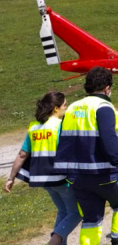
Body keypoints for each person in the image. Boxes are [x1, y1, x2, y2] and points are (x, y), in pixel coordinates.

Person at [53, 66, 118, 245]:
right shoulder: (103, 107)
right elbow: (109, 139)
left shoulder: (72, 108)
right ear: (107, 88)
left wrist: (65, 171)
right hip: (107, 174)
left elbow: (64, 141)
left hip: (79, 178)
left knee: (91, 219)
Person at [4, 92, 81, 245]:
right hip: (61, 178)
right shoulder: (62, 126)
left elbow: (22, 154)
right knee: (76, 213)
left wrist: (10, 178)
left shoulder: (34, 128)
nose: (66, 108)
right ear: (55, 109)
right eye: (65, 105)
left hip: (43, 180)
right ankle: (54, 241)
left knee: (63, 211)